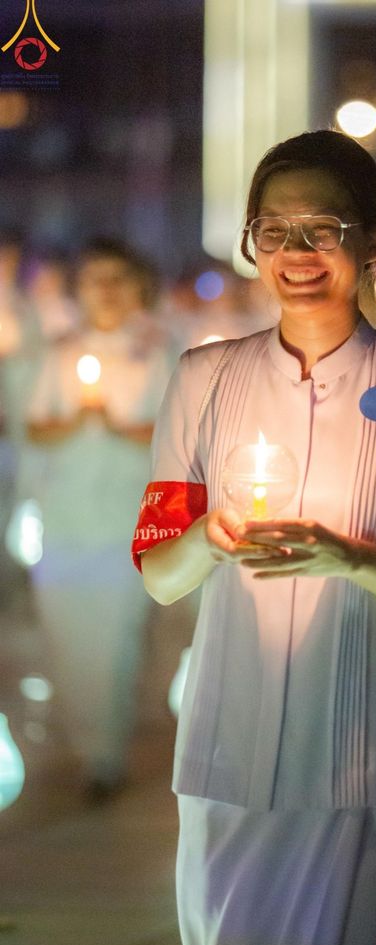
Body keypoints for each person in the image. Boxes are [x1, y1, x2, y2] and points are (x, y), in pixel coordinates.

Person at [132, 129, 376, 945]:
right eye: (274, 230)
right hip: (230, 757)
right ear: (252, 244)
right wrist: (210, 536)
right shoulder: (205, 379)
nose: (296, 252)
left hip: (372, 760)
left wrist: (345, 557)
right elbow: (160, 576)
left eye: (321, 228)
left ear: (373, 241)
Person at [22, 237, 171, 800]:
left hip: (124, 519)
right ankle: (86, 745)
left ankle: (106, 756)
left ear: (137, 287)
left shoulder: (159, 350)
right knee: (67, 635)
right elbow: (36, 426)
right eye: (93, 280)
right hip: (65, 516)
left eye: (117, 278)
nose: (105, 291)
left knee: (115, 639)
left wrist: (116, 426)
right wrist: (77, 419)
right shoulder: (60, 354)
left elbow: (176, 435)